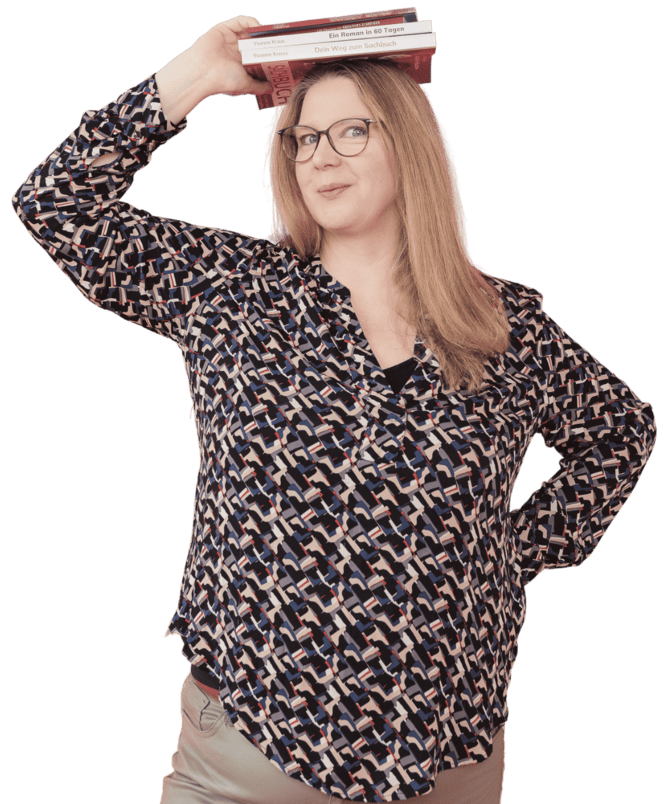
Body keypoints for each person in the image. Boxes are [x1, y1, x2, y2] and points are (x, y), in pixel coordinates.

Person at [9, 14, 658, 804]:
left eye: (352, 131)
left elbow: (621, 433)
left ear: (408, 144)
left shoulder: (504, 325)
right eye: (304, 138)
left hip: (449, 756)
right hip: (249, 751)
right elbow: (56, 205)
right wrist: (198, 75)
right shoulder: (231, 289)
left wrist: (511, 553)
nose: (321, 156)